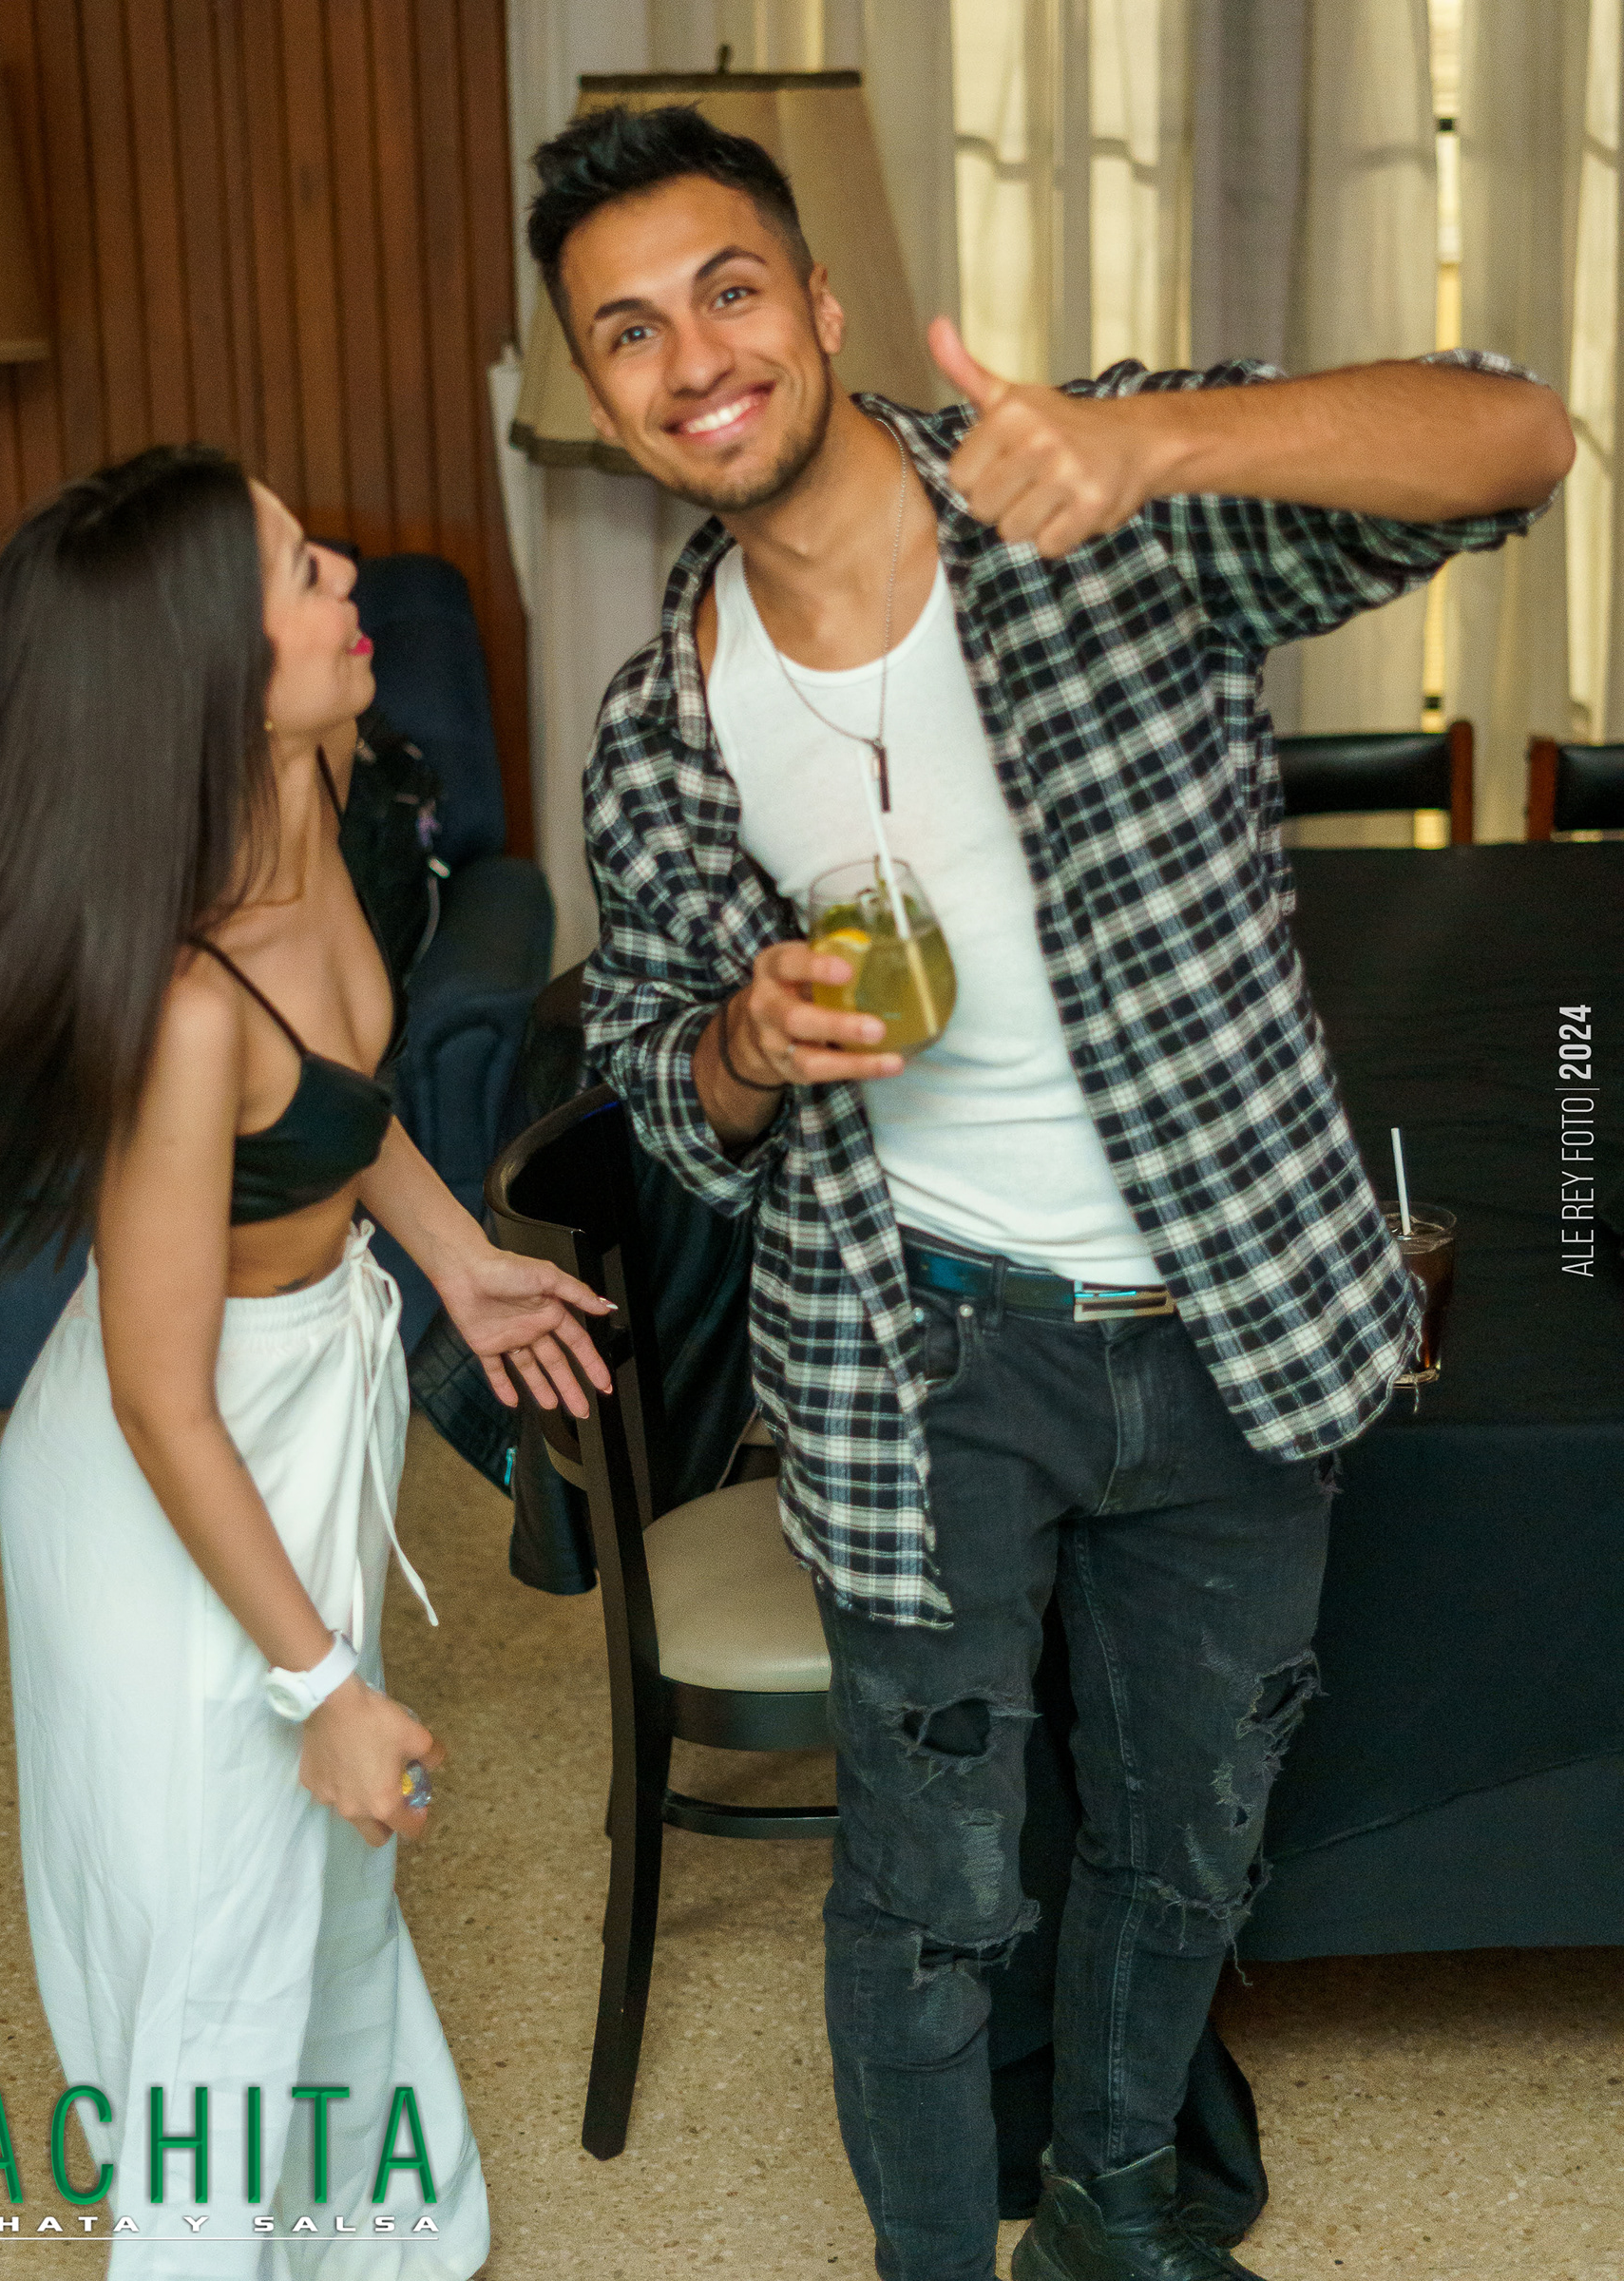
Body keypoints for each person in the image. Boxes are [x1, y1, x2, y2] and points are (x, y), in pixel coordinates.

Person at [524, 104, 1571, 2281]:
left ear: (819, 304)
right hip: (922, 1368)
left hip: (1233, 1328)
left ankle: (1112, 2212)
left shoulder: (1087, 497)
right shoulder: (657, 736)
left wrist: (1158, 447)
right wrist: (740, 1047)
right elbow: (654, 1076)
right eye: (625, 330)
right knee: (929, 1900)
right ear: (602, 398)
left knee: (1191, 1848)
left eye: (728, 288)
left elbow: (1516, 442)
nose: (691, 355)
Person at [0, 445, 613, 2273]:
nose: (351, 579)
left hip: (303, 1407)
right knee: (217, 1950)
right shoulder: (177, 1011)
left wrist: (460, 1260)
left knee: (326, 1887)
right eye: (301, 570)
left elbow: (340, 1107)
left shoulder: (309, 785)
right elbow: (162, 1402)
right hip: (172, 1467)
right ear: (210, 674)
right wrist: (319, 1683)